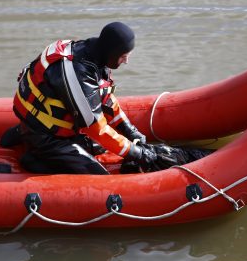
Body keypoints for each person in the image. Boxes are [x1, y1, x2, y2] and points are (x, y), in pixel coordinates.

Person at [10, 22, 159, 174]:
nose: (126, 61)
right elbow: (96, 129)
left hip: (47, 123)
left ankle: (27, 137)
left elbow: (105, 98)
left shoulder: (95, 55)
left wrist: (130, 130)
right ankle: (36, 158)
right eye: (123, 56)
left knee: (100, 147)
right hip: (45, 137)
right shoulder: (79, 73)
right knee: (97, 173)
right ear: (112, 53)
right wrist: (138, 153)